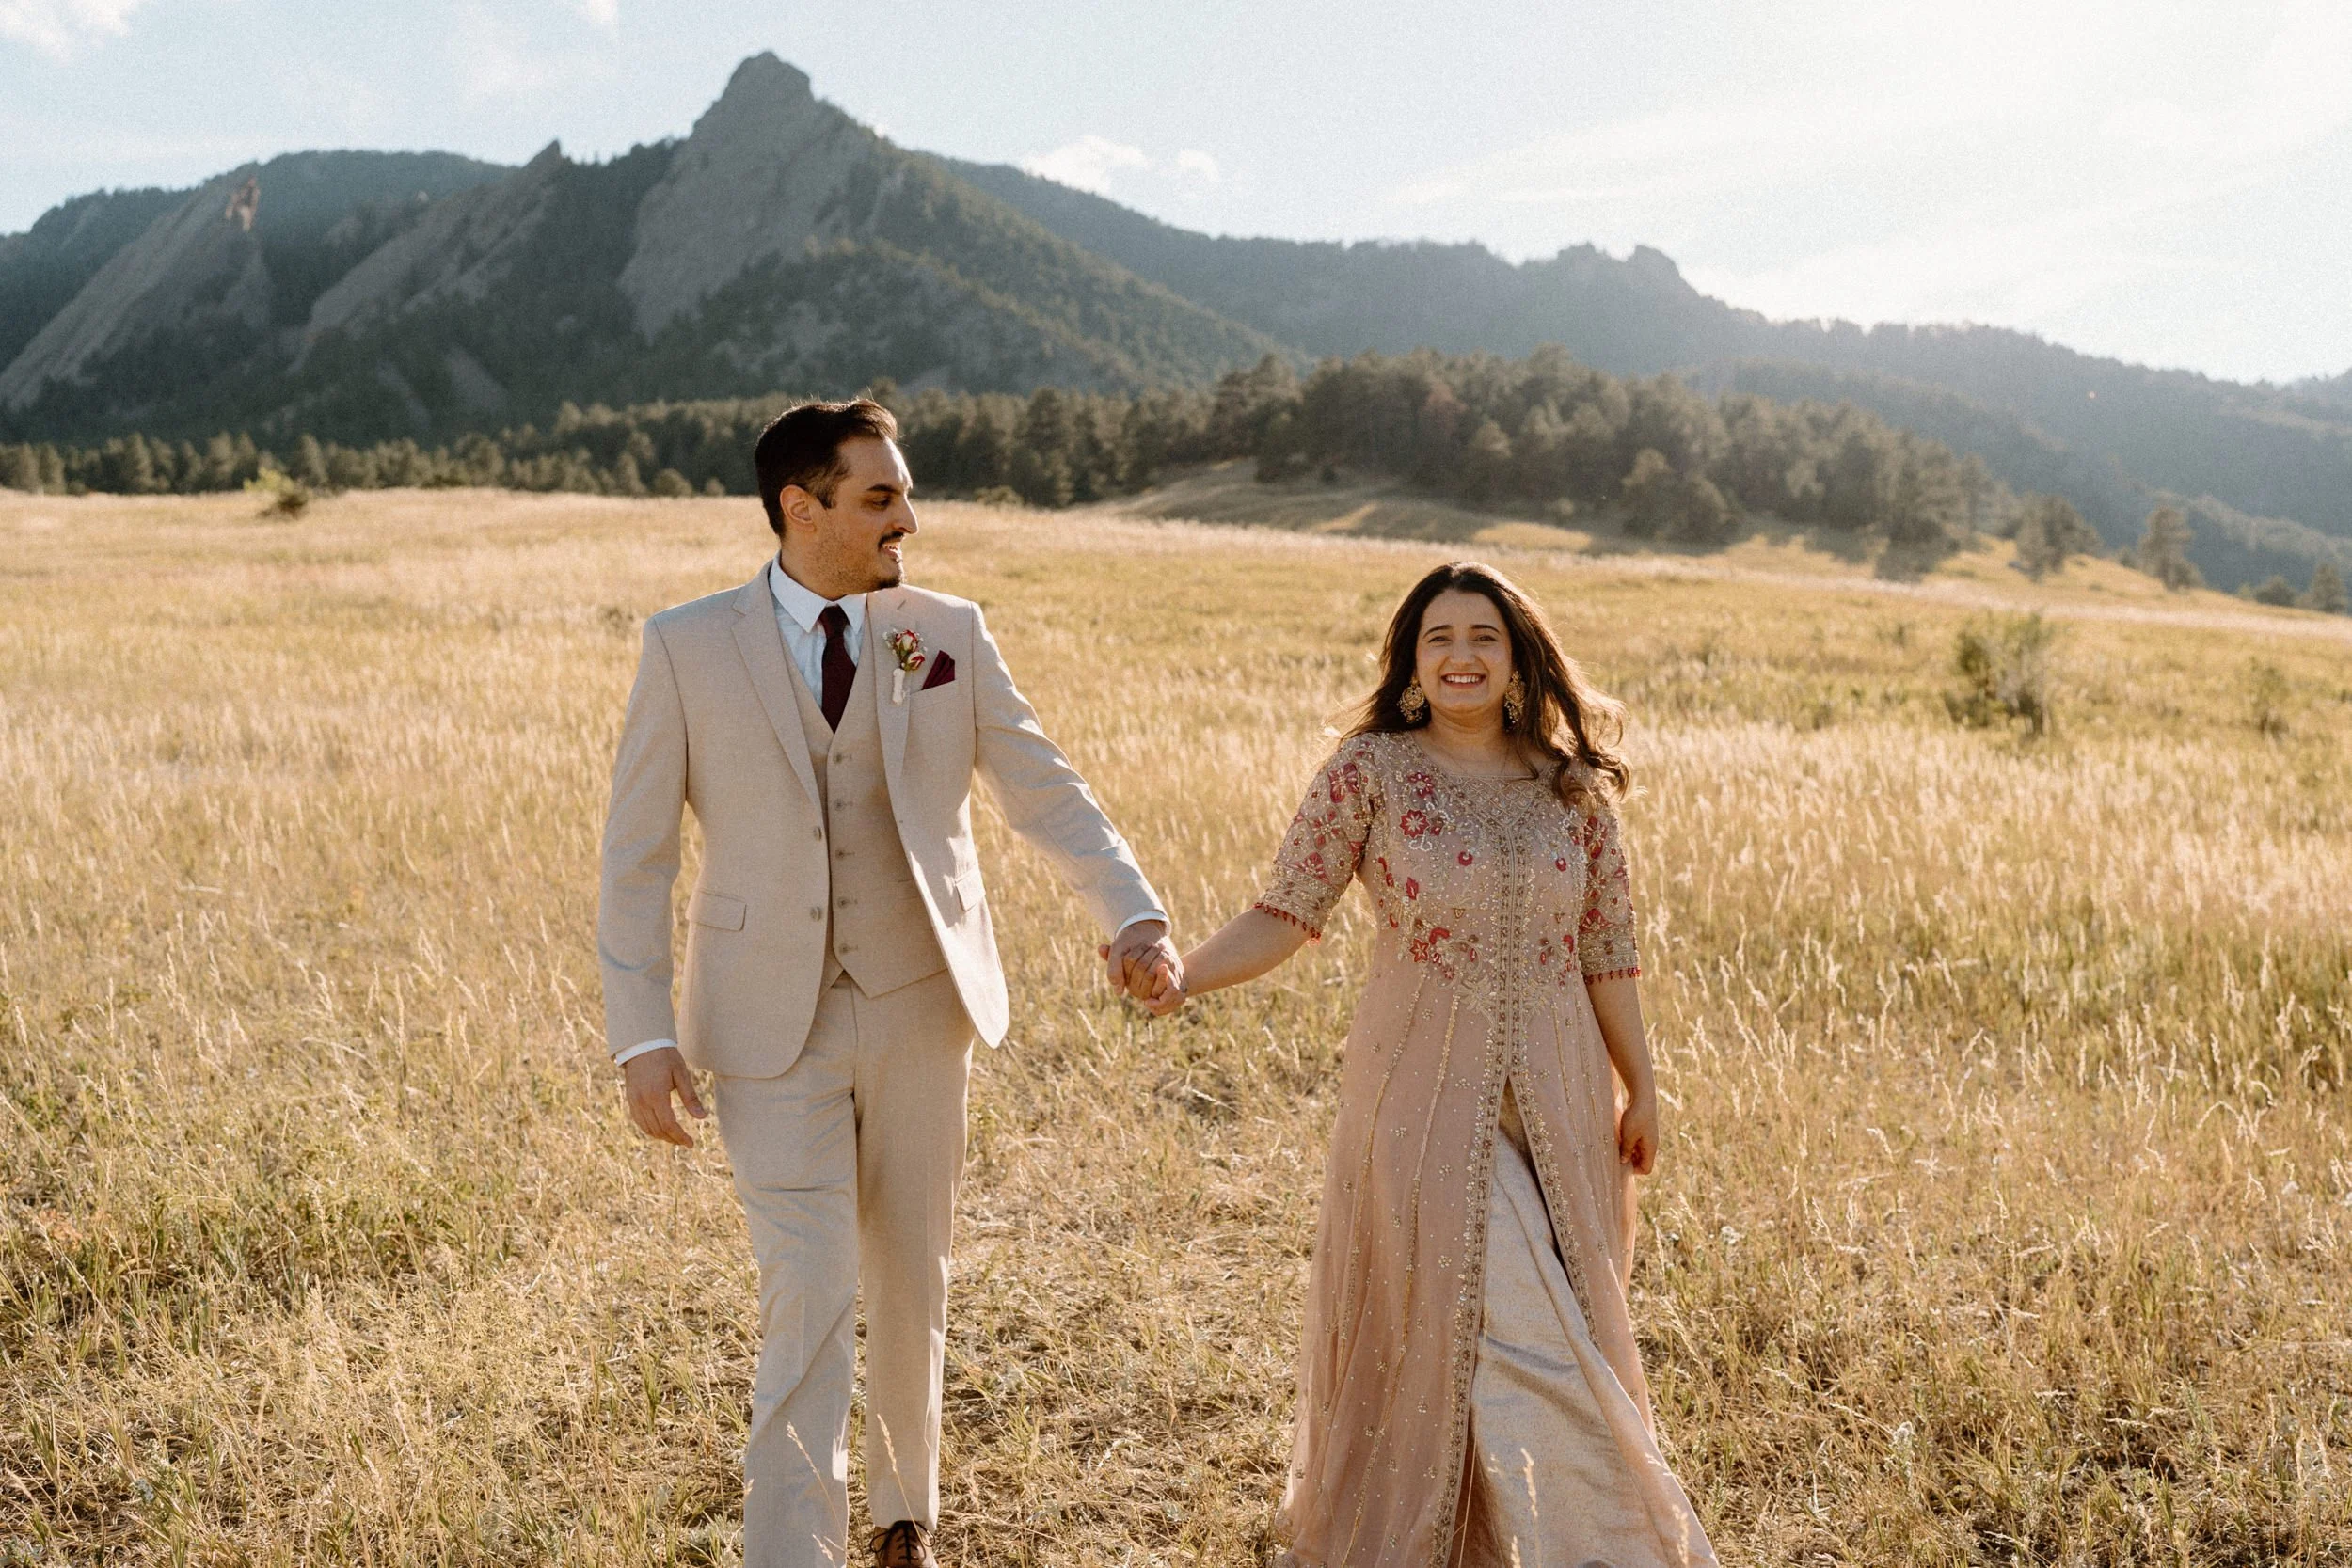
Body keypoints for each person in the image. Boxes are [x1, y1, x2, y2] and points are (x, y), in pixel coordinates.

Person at [596, 398, 1180, 1568]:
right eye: (880, 497)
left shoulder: (944, 630)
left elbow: (1041, 785)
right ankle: (792, 1552)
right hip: (766, 1020)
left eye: (904, 493)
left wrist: (1131, 910)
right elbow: (636, 855)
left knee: (912, 1270)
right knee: (806, 1285)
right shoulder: (686, 645)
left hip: (921, 999)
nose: (908, 517)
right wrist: (639, 1034)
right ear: (800, 508)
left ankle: (904, 1514)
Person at [1149, 562, 1715, 1568]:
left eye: (1483, 637)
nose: (1461, 656)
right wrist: (1181, 977)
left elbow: (1610, 952)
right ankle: (1612, 1547)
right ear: (1412, 661)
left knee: (1569, 1316)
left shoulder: (1571, 788)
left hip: (1564, 1094)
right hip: (1417, 1094)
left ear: (1516, 658)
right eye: (1439, 638)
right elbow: (1285, 913)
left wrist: (1645, 1086)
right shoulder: (1369, 771)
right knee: (1500, 1315)